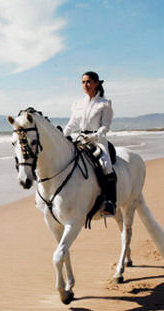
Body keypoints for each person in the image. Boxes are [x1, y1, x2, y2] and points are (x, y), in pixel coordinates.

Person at [62, 71, 117, 216]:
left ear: (96, 83)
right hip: (80, 138)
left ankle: (110, 202)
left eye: (88, 82)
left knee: (106, 166)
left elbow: (106, 126)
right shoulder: (77, 103)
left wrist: (94, 136)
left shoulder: (104, 103)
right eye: (83, 82)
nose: (85, 85)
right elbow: (72, 124)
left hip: (98, 140)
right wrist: (62, 136)